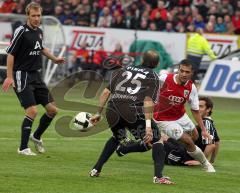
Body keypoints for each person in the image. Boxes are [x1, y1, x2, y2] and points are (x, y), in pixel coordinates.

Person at [89, 50, 174, 185]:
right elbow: (147, 101)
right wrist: (148, 127)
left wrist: (98, 113)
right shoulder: (153, 76)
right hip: (133, 111)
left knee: (117, 137)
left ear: (141, 60)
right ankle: (158, 177)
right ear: (157, 64)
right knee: (157, 140)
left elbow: (106, 92)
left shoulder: (123, 70)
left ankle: (96, 169)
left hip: (112, 109)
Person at [117, 59, 215, 172]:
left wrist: (203, 130)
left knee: (195, 136)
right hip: (163, 119)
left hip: (181, 115)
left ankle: (125, 149)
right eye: (181, 71)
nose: (183, 74)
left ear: (192, 73)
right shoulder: (164, 79)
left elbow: (195, 110)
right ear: (178, 70)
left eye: (187, 72)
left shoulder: (191, 87)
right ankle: (205, 164)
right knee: (187, 140)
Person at [2, 2, 65, 155]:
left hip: (36, 75)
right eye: (33, 16)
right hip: (21, 75)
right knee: (32, 111)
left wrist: (54, 59)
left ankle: (36, 136)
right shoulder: (21, 31)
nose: (37, 18)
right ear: (28, 16)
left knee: (53, 110)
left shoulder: (39, 31)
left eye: (38, 15)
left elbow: (41, 48)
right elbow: (10, 54)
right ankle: (23, 148)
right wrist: (9, 77)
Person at [195, 96, 220, 164]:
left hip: (187, 155)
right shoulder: (208, 121)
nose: (197, 109)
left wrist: (201, 161)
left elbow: (211, 145)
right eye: (197, 106)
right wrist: (212, 160)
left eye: (201, 106)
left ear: (208, 109)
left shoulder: (206, 122)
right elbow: (217, 142)